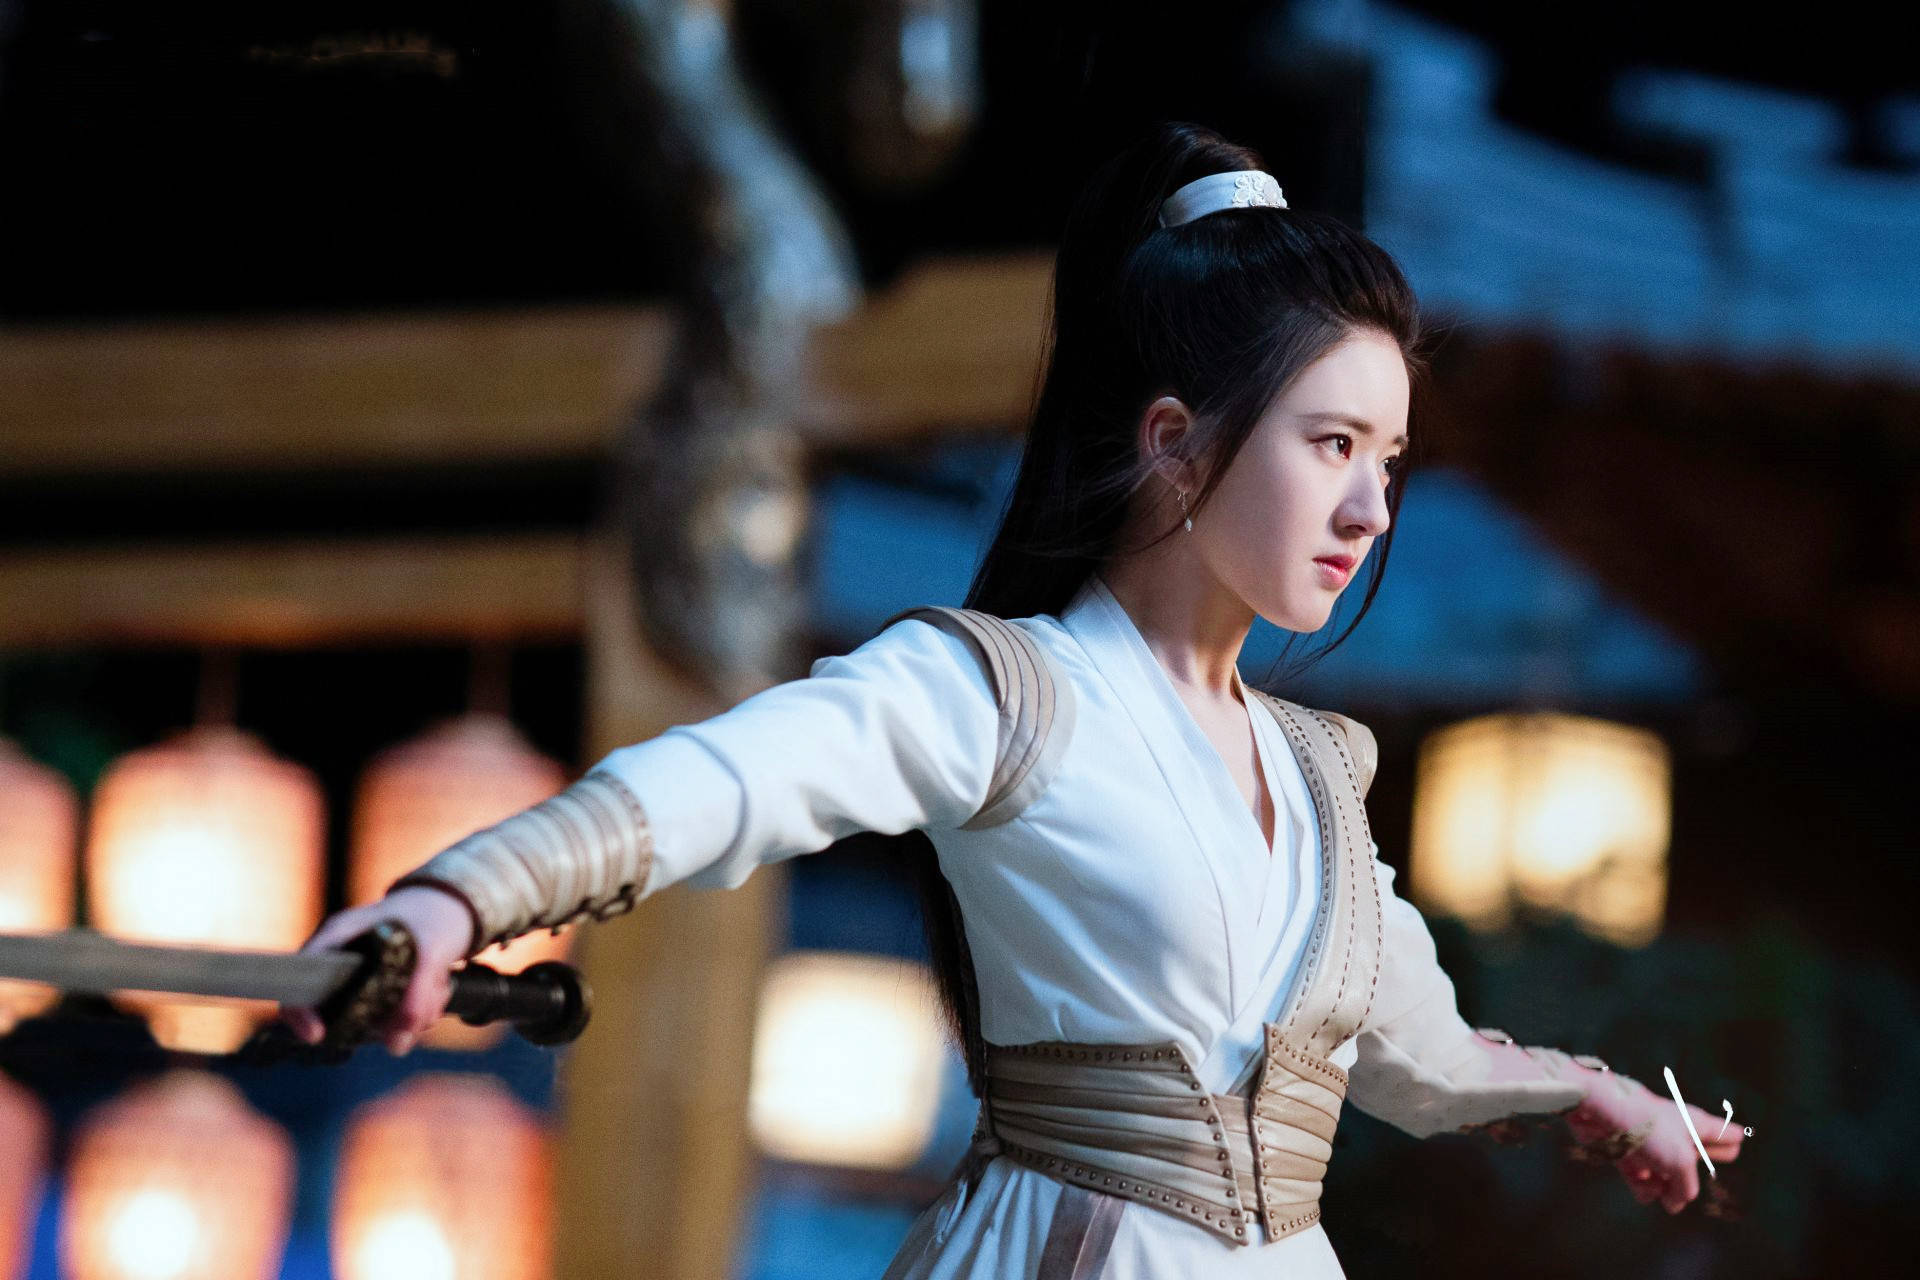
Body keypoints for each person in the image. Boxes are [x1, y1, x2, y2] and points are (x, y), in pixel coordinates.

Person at [285, 122, 1743, 1278]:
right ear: (1176, 443)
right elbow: (724, 783)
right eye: (1332, 443)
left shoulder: (1317, 775)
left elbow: (1420, 1056)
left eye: (1391, 460)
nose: (1371, 507)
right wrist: (458, 901)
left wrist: (1590, 1095)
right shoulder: (1007, 695)